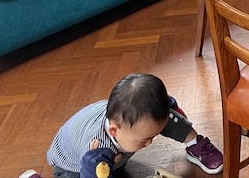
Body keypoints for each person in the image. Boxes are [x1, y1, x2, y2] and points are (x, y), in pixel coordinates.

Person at [20, 73, 223, 178]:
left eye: (153, 136)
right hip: (73, 165)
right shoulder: (96, 151)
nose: (150, 143)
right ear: (114, 131)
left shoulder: (132, 123)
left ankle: (194, 145)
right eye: (144, 140)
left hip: (114, 150)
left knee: (163, 117)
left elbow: (167, 112)